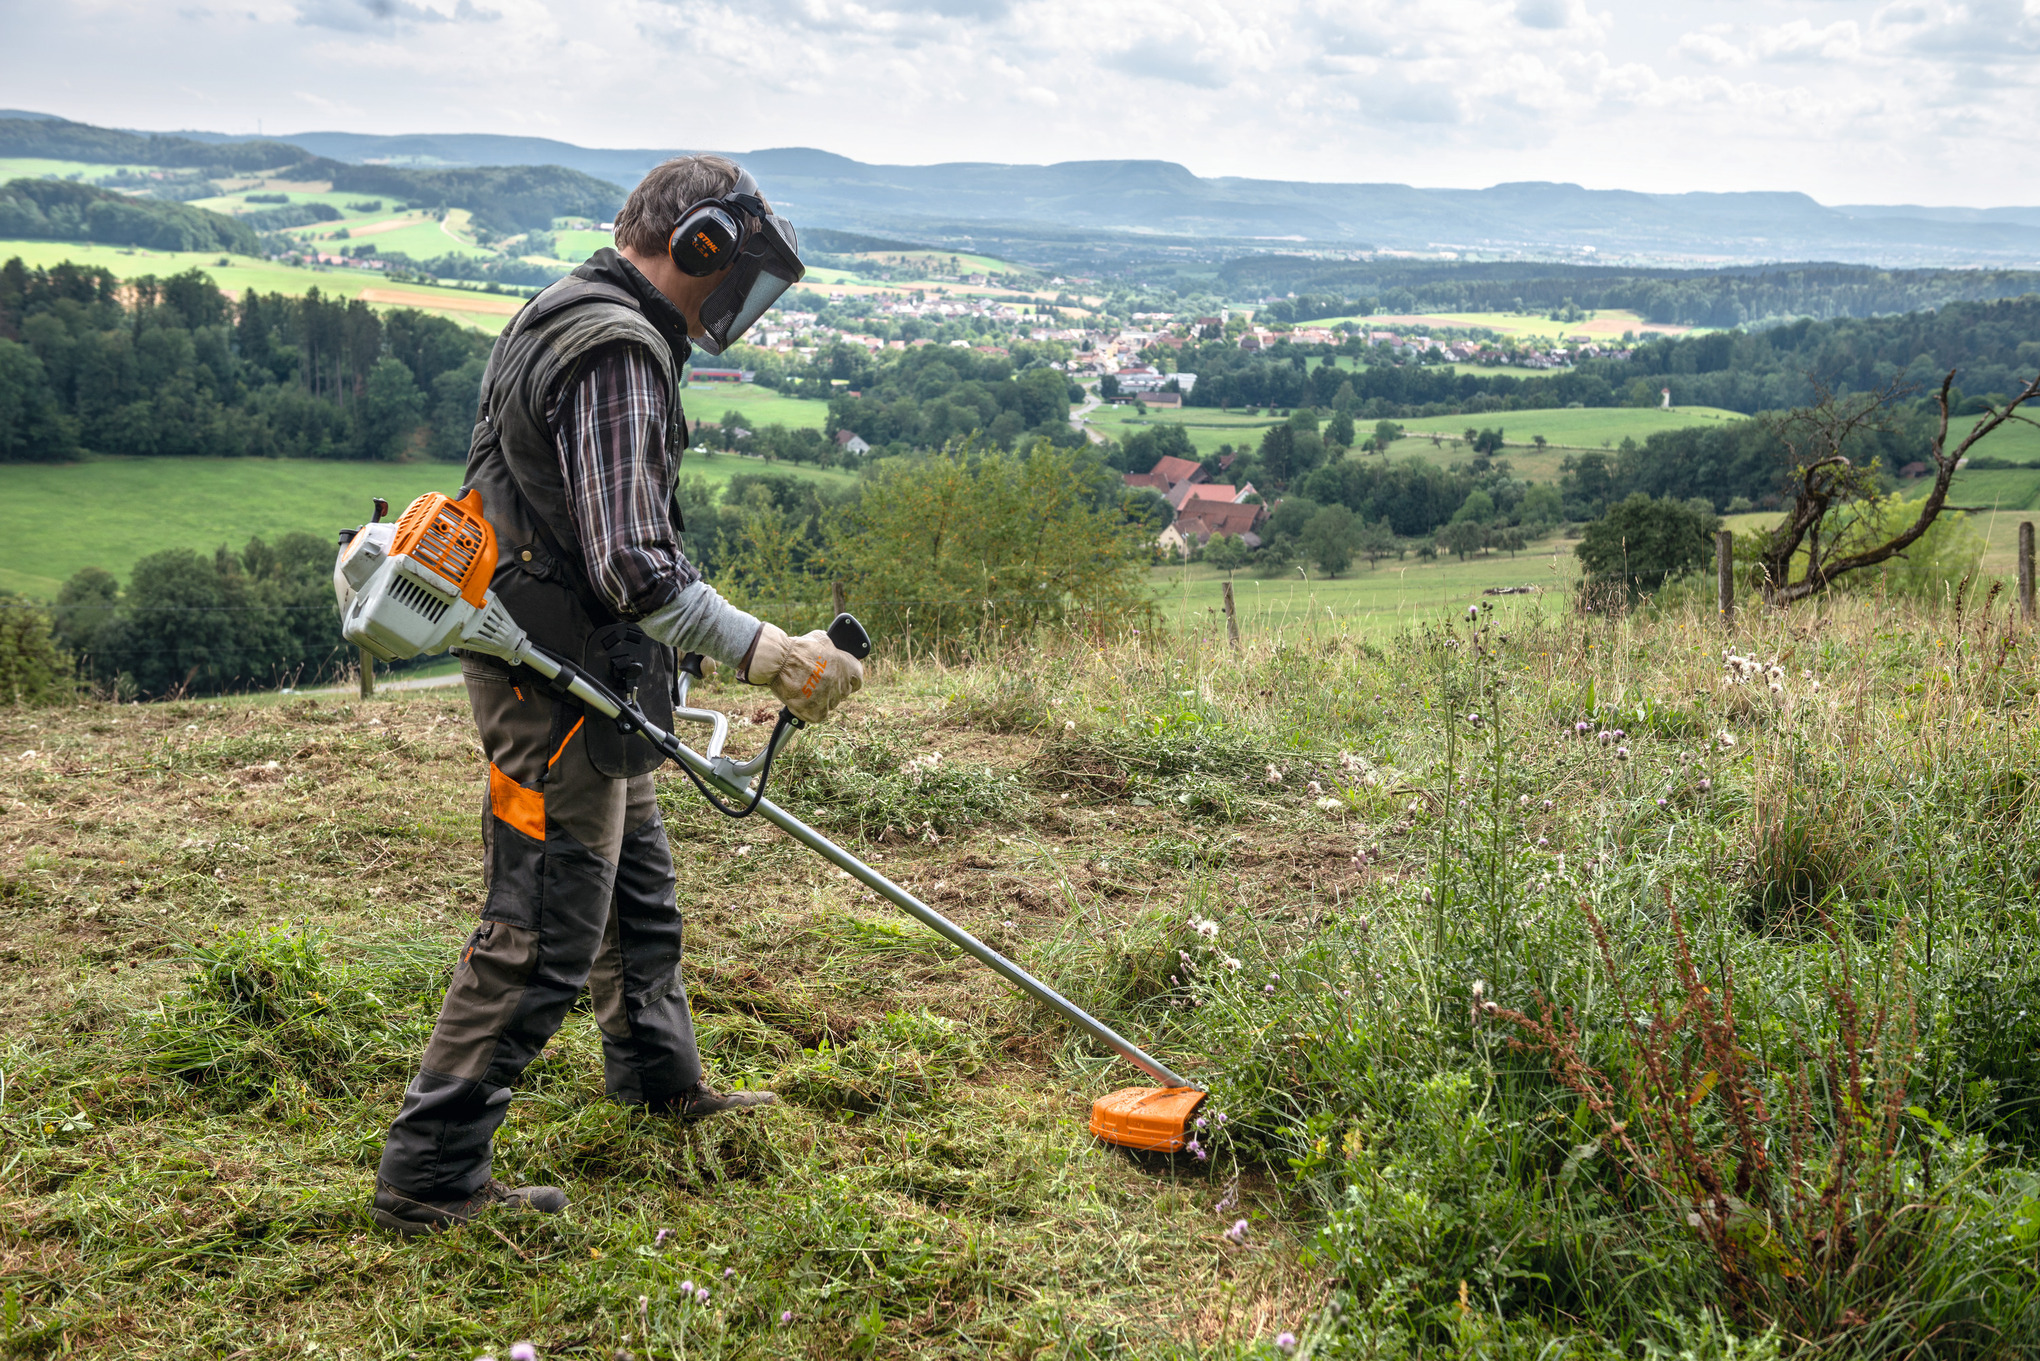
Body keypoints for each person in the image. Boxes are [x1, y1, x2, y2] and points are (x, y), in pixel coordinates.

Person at [370, 155, 862, 1235]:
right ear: (701, 246)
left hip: (586, 669)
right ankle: (430, 1174)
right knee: (542, 925)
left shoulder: (571, 306)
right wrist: (772, 653)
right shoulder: (618, 350)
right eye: (736, 270)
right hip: (553, 681)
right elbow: (634, 567)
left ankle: (655, 1077)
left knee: (636, 895)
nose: (738, 300)